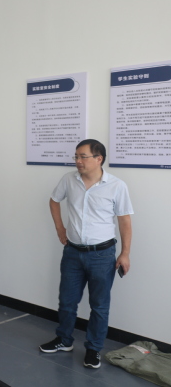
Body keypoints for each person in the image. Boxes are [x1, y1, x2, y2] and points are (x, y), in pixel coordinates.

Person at [39, 139, 133, 369]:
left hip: (102, 255)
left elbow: (124, 221)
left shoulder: (117, 186)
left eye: (83, 156)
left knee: (99, 305)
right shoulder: (69, 180)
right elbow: (53, 201)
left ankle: (93, 349)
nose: (78, 161)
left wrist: (125, 253)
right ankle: (64, 340)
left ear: (99, 159)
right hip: (72, 252)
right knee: (67, 301)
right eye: (76, 156)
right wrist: (60, 228)